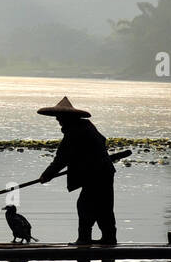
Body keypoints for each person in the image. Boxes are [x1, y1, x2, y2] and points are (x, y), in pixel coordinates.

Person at [36, 96, 117, 245]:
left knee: (86, 205)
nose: (57, 120)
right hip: (103, 172)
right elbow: (101, 141)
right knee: (102, 206)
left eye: (59, 117)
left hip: (96, 174)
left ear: (68, 117)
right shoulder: (85, 127)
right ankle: (108, 237)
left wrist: (46, 175)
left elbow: (61, 159)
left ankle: (85, 239)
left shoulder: (75, 132)